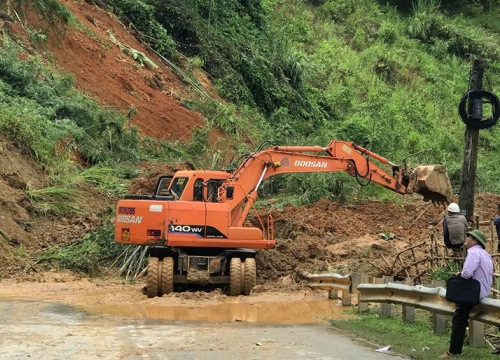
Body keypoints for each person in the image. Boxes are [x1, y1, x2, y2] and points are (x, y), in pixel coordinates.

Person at [440, 229, 493, 358]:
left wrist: (460, 274)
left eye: (469, 237)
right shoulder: (485, 254)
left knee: (459, 318)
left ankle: (453, 351)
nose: (467, 239)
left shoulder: (473, 253)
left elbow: (467, 273)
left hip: (474, 292)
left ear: (475, 241)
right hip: (484, 290)